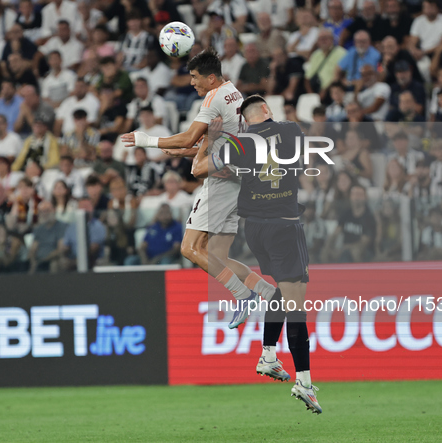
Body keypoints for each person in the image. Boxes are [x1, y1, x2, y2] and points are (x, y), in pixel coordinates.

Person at [121, 48, 278, 328]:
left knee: (190, 248)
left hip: (222, 182)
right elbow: (214, 140)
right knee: (216, 255)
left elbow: (190, 136)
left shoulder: (214, 97)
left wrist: (147, 140)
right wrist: (191, 149)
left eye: (195, 77)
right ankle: (267, 292)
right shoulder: (233, 92)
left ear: (211, 78)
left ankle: (243, 295)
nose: (191, 82)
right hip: (239, 177)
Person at [190, 94, 322, 413]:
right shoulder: (290, 130)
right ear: (265, 110)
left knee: (281, 290)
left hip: (255, 230)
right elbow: (299, 163)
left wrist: (212, 139)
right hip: (284, 226)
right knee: (296, 306)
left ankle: (267, 355)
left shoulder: (239, 143)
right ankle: (303, 382)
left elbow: (200, 169)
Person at [29, 200, 67, 273]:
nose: (45, 214)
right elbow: (33, 248)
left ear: (54, 210)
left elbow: (61, 249)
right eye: (42, 211)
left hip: (53, 260)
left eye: (47, 210)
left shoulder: (62, 227)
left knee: (54, 264)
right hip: (38, 261)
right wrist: (33, 261)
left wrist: (44, 260)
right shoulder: (38, 229)